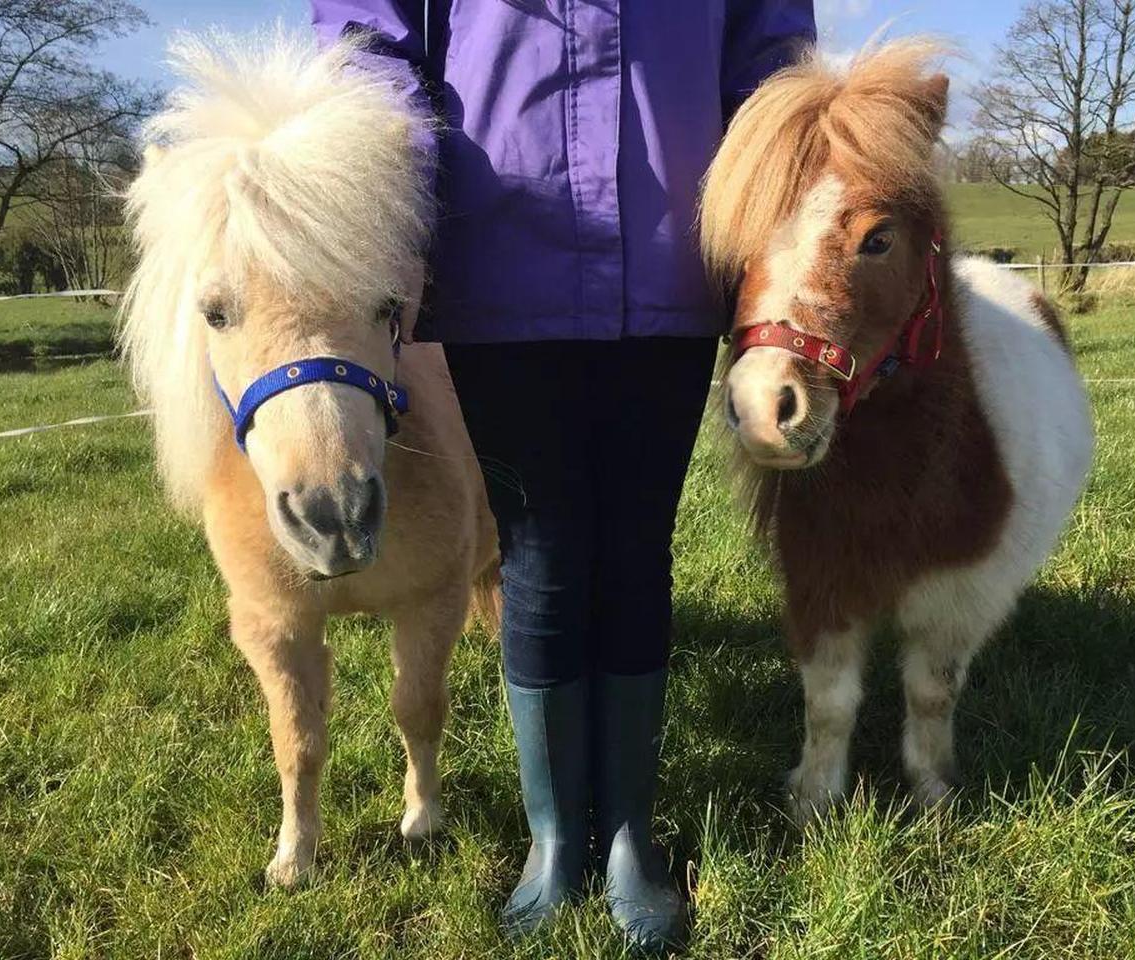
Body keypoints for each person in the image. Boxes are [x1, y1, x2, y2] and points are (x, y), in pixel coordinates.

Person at [311, 1, 816, 950]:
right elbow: (372, 43)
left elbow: (770, 54)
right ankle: (554, 841)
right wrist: (400, 194)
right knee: (535, 556)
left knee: (634, 549)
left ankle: (629, 834)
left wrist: (774, 216)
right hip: (502, 256)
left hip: (676, 250)